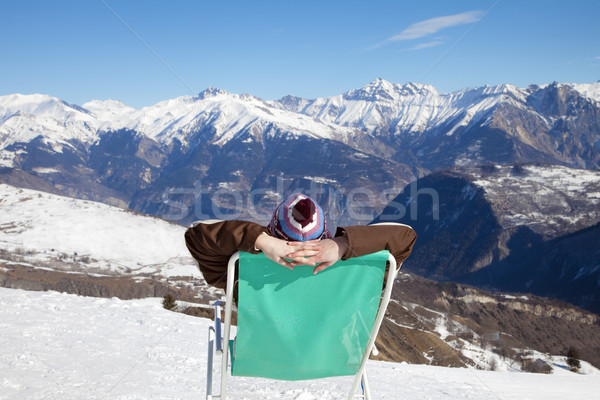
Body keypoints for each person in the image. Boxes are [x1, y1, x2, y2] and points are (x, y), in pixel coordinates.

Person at [184, 193, 417, 293]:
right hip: (337, 358)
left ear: (273, 231)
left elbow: (196, 235)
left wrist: (257, 239)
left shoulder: (241, 273)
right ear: (325, 234)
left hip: (260, 356)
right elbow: (405, 238)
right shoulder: (355, 276)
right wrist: (344, 245)